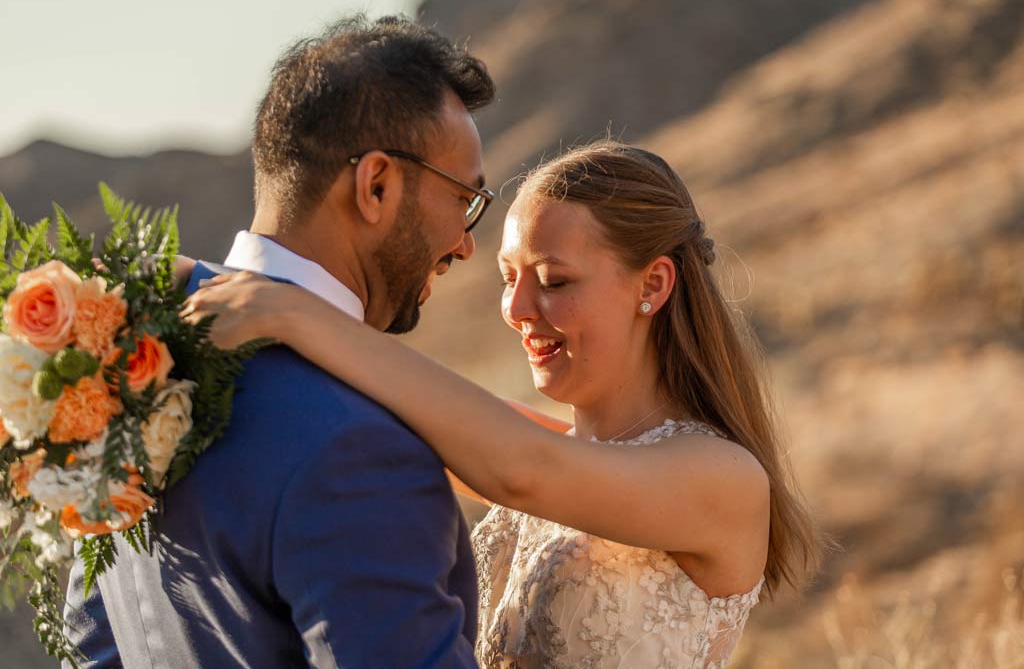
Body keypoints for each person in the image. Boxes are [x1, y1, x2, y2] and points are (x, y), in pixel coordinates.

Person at [183, 140, 822, 668]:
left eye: (553, 281)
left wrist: (298, 315)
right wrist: (178, 285)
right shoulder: (568, 453)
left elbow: (519, 467)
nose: (517, 312)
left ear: (651, 284)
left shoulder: (724, 479)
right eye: (509, 279)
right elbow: (406, 417)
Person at [62, 15, 496, 669]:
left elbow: (96, 644)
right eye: (464, 199)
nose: (466, 241)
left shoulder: (129, 353)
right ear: (375, 186)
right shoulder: (360, 449)